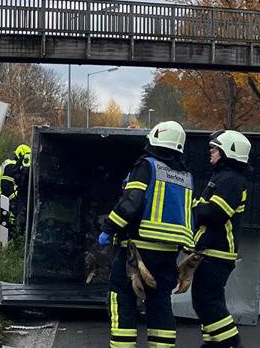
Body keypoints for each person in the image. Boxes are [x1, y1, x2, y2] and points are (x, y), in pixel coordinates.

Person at [98, 121, 193, 348]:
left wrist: (108, 228)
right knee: (160, 304)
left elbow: (131, 204)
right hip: (168, 254)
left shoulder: (146, 166)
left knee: (122, 298)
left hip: (138, 251)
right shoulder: (185, 175)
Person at [189, 130, 251, 348]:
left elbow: (214, 212)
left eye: (215, 149)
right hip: (212, 251)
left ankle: (229, 342)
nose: (211, 153)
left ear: (228, 152)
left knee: (206, 300)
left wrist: (193, 206)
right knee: (208, 300)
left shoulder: (231, 179)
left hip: (218, 252)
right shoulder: (224, 177)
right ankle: (214, 343)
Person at [0, 144, 31, 237]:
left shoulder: (8, 162)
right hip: (6, 194)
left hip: (2, 194)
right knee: (9, 219)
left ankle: (7, 240)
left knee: (6, 219)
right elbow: (6, 184)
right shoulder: (12, 165)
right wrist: (14, 199)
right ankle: (8, 240)